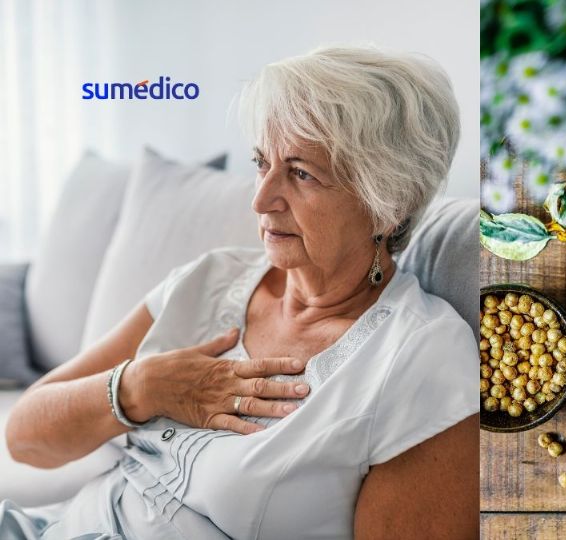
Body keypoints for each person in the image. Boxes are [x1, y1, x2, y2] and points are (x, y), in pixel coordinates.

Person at [1, 45, 478, 539]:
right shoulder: (209, 278)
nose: (260, 199)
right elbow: (25, 438)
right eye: (261, 162)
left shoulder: (421, 358)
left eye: (301, 173)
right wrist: (142, 387)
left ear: (388, 202)